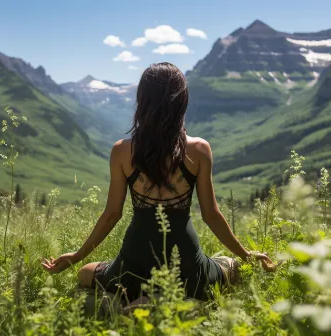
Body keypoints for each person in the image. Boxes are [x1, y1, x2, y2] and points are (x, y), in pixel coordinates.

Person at [42, 62, 276, 303]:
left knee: (86, 272)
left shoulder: (122, 151)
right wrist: (246, 255)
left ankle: (134, 302)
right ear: (182, 101)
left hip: (135, 259)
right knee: (231, 266)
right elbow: (211, 215)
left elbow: (112, 213)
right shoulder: (199, 150)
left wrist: (78, 256)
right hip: (186, 262)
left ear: (141, 101)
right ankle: (181, 301)